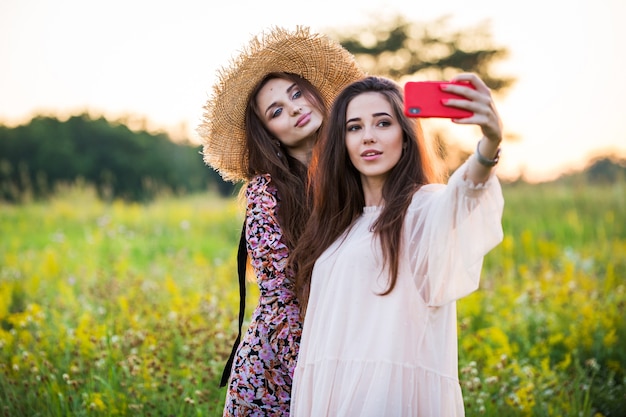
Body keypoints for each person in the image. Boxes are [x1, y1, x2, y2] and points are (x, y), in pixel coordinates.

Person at [289, 75, 505, 416]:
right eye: (354, 127)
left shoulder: (423, 208)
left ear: (406, 137)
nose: (369, 136)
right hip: (334, 394)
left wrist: (490, 144)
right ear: (341, 143)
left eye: (383, 123)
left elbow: (463, 194)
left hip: (390, 398)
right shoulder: (338, 225)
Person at [197, 26, 364, 416]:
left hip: (348, 347)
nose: (293, 108)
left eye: (296, 93)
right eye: (276, 111)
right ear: (268, 134)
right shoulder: (267, 194)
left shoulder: (357, 172)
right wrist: (325, 379)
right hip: (279, 373)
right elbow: (280, 306)